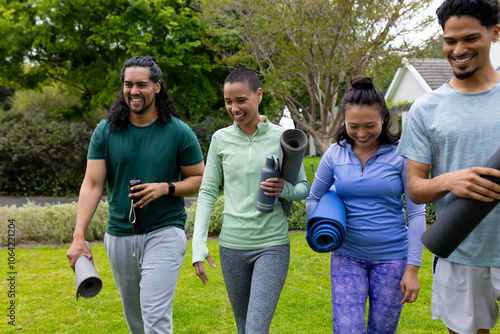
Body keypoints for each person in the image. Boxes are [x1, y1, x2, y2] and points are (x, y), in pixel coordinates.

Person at [66, 56, 205, 334]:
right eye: (128, 85)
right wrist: (78, 236)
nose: (134, 91)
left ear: (157, 87)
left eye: (142, 84)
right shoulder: (106, 131)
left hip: (164, 231)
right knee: (136, 321)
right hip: (119, 235)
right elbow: (92, 185)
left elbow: (200, 179)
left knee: (154, 316)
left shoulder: (179, 132)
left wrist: (166, 187)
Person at [397, 0, 500, 333]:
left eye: (470, 38)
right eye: (450, 41)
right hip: (459, 249)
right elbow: (414, 187)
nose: (458, 49)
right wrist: (450, 181)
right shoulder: (426, 109)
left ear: (495, 34)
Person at [191, 68, 310, 334]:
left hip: (271, 245)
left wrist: (284, 190)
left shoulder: (282, 137)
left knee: (256, 329)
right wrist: (198, 243)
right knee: (244, 328)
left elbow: (303, 187)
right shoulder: (220, 139)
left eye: (241, 100)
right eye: (228, 101)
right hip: (231, 246)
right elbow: (208, 191)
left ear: (258, 96)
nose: (234, 108)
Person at [306, 76, 426, 333]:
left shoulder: (400, 156)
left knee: (382, 330)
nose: (362, 133)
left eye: (370, 125)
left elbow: (416, 213)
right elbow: (314, 197)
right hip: (347, 258)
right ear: (344, 122)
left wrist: (413, 268)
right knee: (347, 328)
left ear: (383, 118)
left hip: (392, 259)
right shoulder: (334, 154)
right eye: (353, 126)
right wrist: (320, 229)